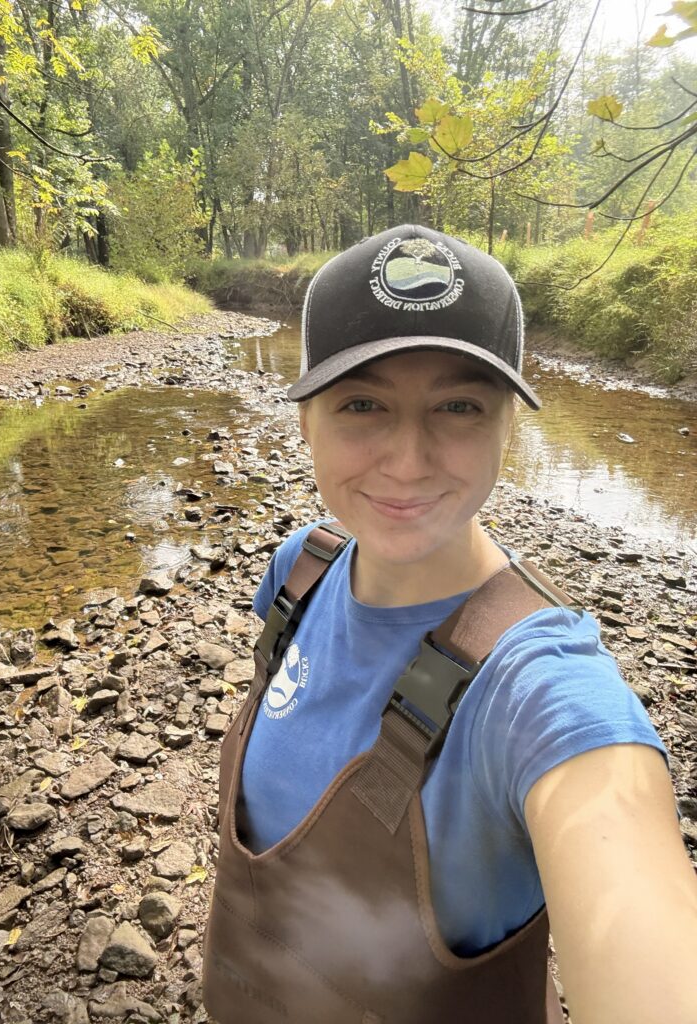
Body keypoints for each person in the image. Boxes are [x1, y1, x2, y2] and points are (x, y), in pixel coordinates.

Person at [202, 225, 697, 1024]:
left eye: (459, 406)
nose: (408, 460)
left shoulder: (539, 689)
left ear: (508, 428)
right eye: (362, 404)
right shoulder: (301, 572)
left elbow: (632, 897)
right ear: (305, 423)